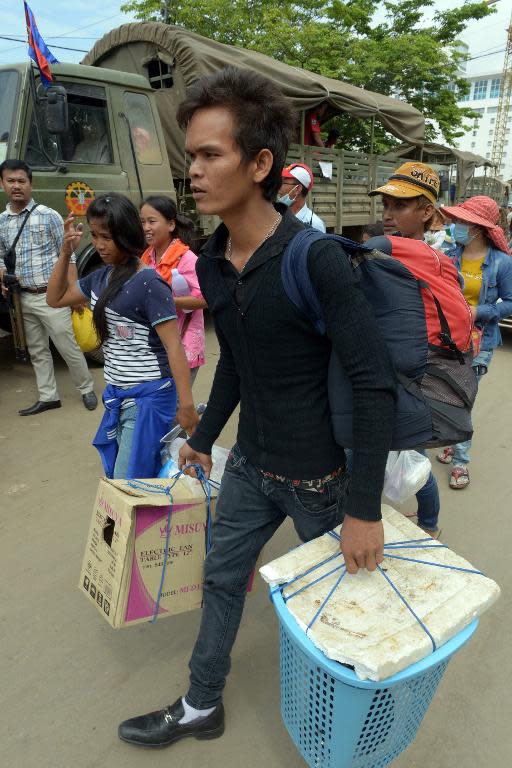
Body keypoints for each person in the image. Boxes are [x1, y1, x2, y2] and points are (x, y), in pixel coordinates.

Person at [117, 66, 396, 749]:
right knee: (220, 578)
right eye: (193, 156)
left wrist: (362, 509)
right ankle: (200, 705)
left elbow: (374, 384)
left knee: (343, 608)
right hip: (250, 467)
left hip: (321, 482)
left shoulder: (317, 259)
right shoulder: (212, 262)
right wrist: (206, 435)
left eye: (212, 154)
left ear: (261, 162)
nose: (195, 172)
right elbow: (236, 359)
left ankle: (361, 721)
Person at [46, 192, 199, 480]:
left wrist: (187, 407)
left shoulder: (149, 283)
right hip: (118, 395)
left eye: (107, 237)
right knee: (134, 480)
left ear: (126, 234)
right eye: (95, 235)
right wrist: (66, 252)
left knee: (126, 483)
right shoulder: (99, 278)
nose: (99, 245)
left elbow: (174, 347)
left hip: (149, 400)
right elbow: (55, 298)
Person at [369, 161, 445, 537]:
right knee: (403, 453)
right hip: (394, 369)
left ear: (426, 211)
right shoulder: (416, 253)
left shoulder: (410, 255)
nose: (388, 214)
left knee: (412, 457)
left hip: (409, 375)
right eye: (385, 205)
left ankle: (428, 523)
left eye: (399, 206)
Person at [0, 159, 97, 415]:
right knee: (38, 350)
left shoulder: (49, 215)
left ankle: (86, 389)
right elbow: (0, 256)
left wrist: (74, 291)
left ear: (31, 185)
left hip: (51, 297)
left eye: (22, 181)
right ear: (2, 184)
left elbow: (68, 255)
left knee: (67, 346)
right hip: (23, 298)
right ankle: (48, 396)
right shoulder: (1, 222)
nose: (17, 186)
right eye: (11, 181)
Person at [436, 195, 512, 489]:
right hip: (448, 341)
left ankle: (460, 462)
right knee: (445, 395)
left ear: (478, 228)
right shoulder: (448, 254)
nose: (455, 225)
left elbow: (510, 303)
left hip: (479, 345)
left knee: (464, 400)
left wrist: (478, 311)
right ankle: (450, 441)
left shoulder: (501, 263)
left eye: (461, 221)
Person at [139, 196, 206, 386]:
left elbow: (206, 298)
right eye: (143, 221)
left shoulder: (186, 258)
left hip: (185, 342)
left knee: (176, 405)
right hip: (159, 344)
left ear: (170, 225)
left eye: (152, 221)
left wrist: (167, 301)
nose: (146, 228)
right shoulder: (147, 257)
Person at [277, 163, 326, 232]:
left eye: (283, 183)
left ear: (297, 189)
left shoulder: (315, 225)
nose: (278, 187)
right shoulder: (278, 217)